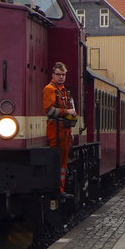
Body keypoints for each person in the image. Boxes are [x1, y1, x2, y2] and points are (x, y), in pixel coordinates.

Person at [43, 62, 77, 194]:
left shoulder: (63, 90)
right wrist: (67, 112)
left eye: (63, 75)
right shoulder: (49, 89)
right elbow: (49, 110)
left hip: (64, 131)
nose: (61, 77)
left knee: (63, 162)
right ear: (53, 75)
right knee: (58, 161)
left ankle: (61, 189)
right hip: (56, 130)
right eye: (58, 74)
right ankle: (58, 189)